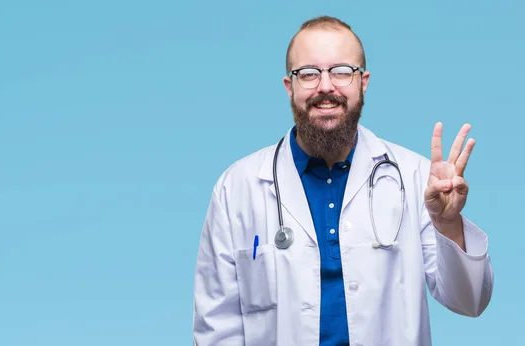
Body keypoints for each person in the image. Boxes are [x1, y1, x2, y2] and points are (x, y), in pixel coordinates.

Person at [192, 15, 493, 346]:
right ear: (289, 87)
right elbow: (216, 329)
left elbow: (470, 302)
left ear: (363, 82)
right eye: (308, 73)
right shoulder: (238, 188)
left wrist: (448, 224)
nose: (325, 86)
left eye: (341, 72)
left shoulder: (414, 178)